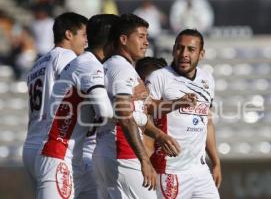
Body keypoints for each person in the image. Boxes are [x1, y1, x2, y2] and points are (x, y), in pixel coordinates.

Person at [93, 13, 182, 199]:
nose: (146, 42)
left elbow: (141, 112)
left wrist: (159, 134)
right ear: (123, 40)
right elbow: (125, 116)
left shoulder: (114, 66)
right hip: (122, 153)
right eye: (141, 36)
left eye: (147, 37)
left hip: (106, 151)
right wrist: (144, 160)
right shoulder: (121, 69)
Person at [146, 29, 221, 198]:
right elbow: (146, 111)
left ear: (201, 54)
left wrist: (216, 162)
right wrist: (177, 103)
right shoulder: (159, 77)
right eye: (180, 48)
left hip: (200, 170)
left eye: (191, 49)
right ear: (173, 50)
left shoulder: (207, 79)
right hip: (171, 170)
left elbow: (207, 122)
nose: (184, 54)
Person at [22, 12, 88, 193]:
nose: (86, 41)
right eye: (83, 35)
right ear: (68, 34)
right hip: (49, 144)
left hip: (30, 143)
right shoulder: (66, 56)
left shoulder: (38, 63)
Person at [77, 14, 120, 199]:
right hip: (70, 154)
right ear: (113, 40)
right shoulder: (90, 65)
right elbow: (105, 112)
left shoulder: (90, 62)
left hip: (80, 153)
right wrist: (137, 110)